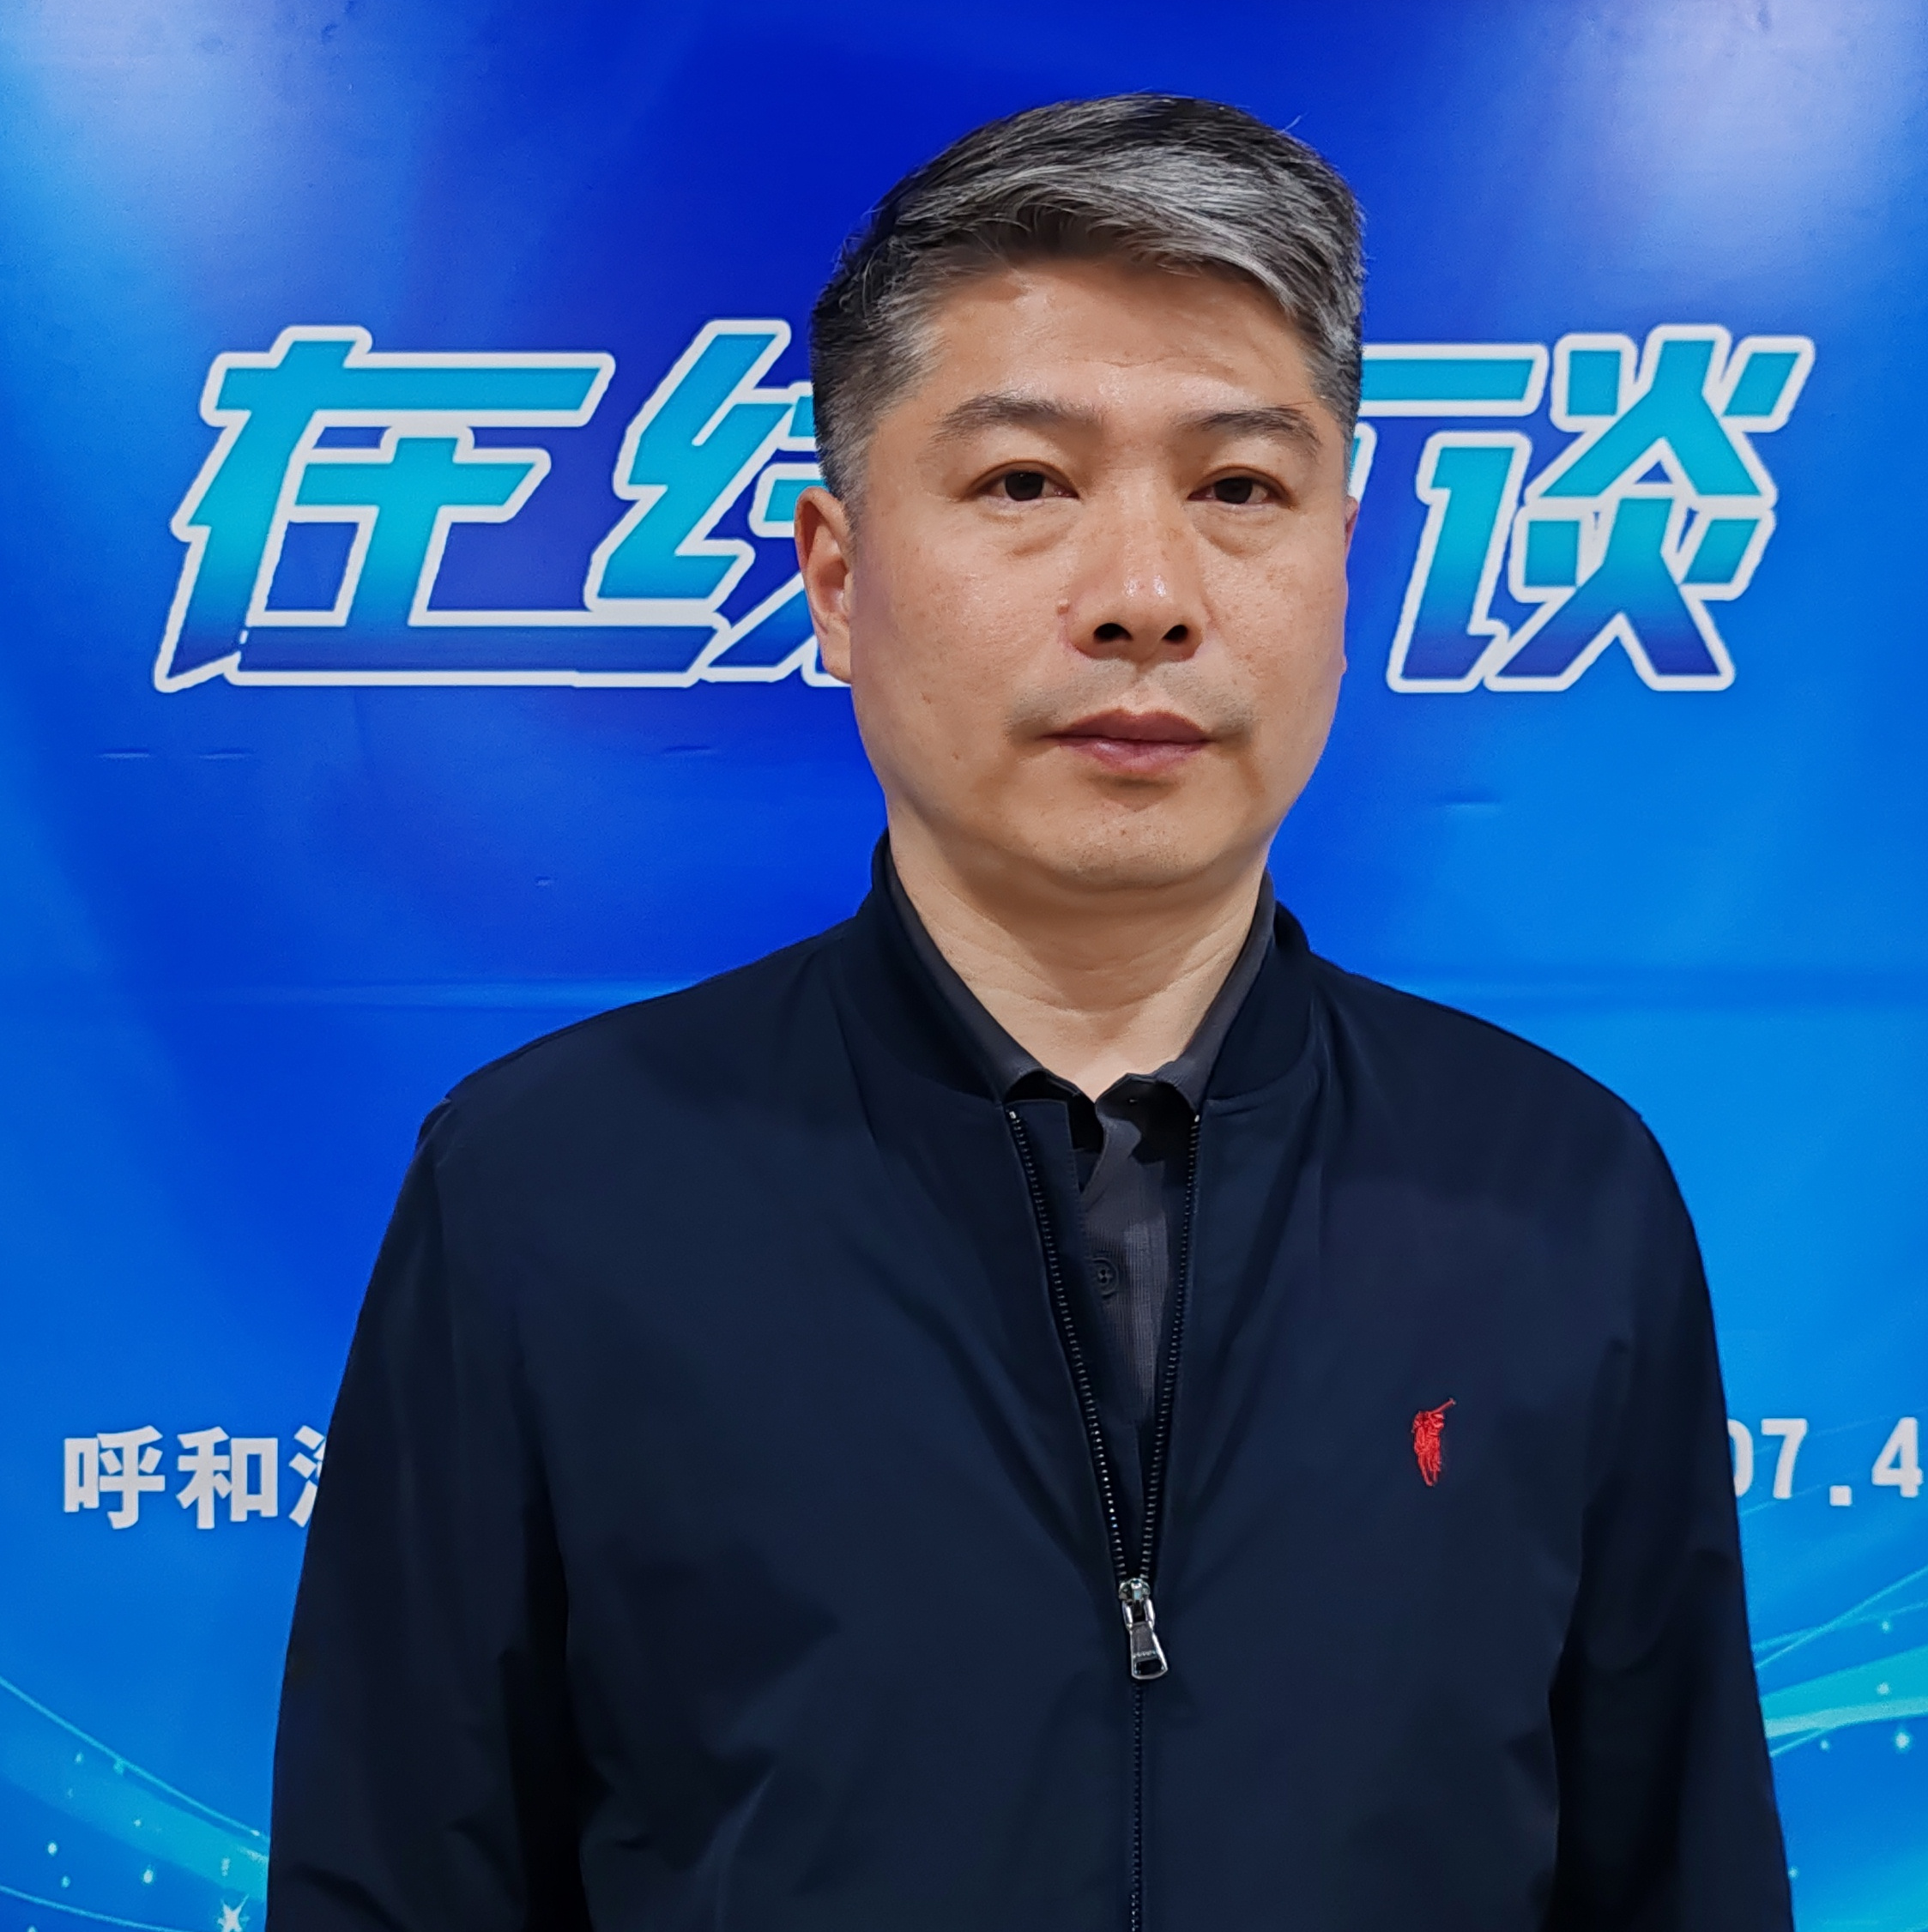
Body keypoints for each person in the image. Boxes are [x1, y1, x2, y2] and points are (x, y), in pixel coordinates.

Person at [270, 94, 1790, 1932]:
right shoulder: (551, 1192)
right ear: (837, 579)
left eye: (1239, 489)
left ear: (1342, 560)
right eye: (1024, 485)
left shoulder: (1556, 1192)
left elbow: (1683, 1878)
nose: (1145, 598)